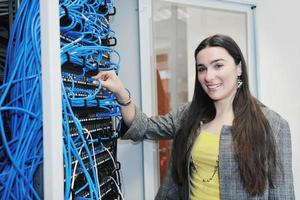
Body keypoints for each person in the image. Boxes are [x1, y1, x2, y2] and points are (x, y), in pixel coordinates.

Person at [93, 34, 295, 200]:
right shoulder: (190, 115)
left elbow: (283, 194)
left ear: (239, 68)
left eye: (218, 66)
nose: (208, 76)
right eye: (202, 69)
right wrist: (121, 93)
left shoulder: (272, 125)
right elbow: (143, 127)